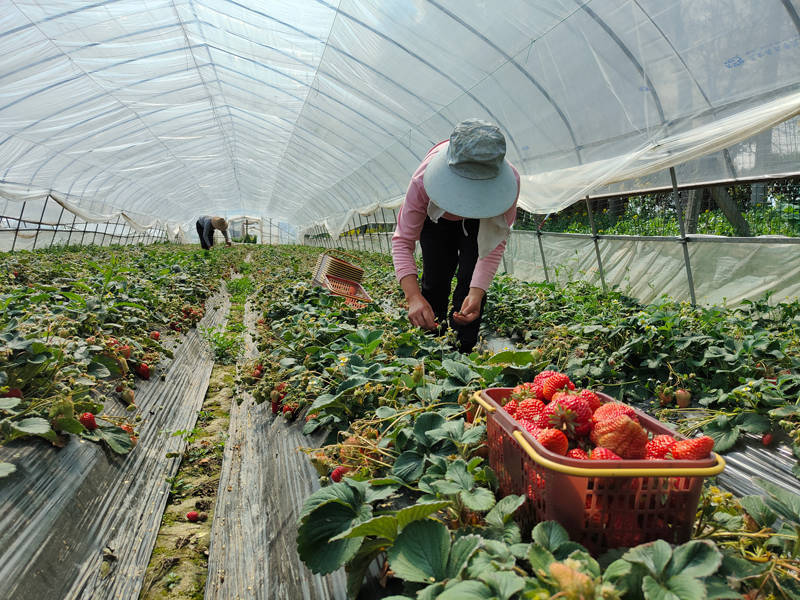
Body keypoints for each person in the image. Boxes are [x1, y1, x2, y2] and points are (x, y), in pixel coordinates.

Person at [391, 119, 520, 353]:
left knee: (469, 286)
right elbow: (402, 241)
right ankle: (430, 343)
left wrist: (476, 293)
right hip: (436, 219)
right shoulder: (423, 181)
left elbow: (492, 246)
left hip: (482, 218)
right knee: (435, 278)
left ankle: (463, 351)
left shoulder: (507, 188)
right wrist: (413, 297)